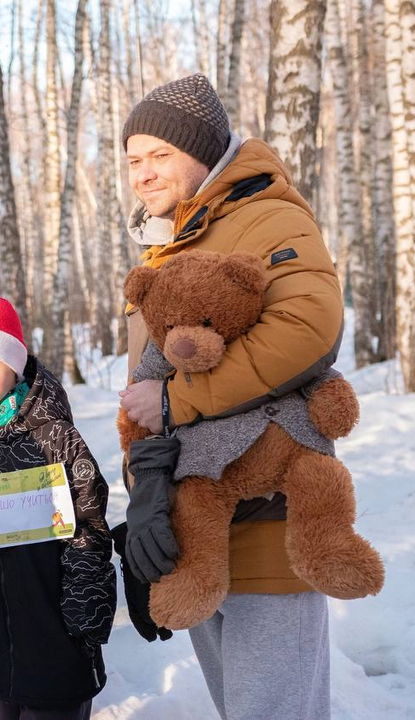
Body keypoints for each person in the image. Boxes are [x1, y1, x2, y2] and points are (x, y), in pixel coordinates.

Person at [117, 73, 342, 719]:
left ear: (207, 150)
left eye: (161, 154)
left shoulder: (265, 217)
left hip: (270, 514)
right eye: (134, 160)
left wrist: (181, 404)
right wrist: (147, 504)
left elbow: (309, 328)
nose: (143, 174)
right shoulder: (176, 241)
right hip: (197, 523)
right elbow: (148, 385)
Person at [0, 287, 116, 720]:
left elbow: (88, 526)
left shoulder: (54, 437)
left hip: (56, 634)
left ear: (12, 363)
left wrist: (84, 613)